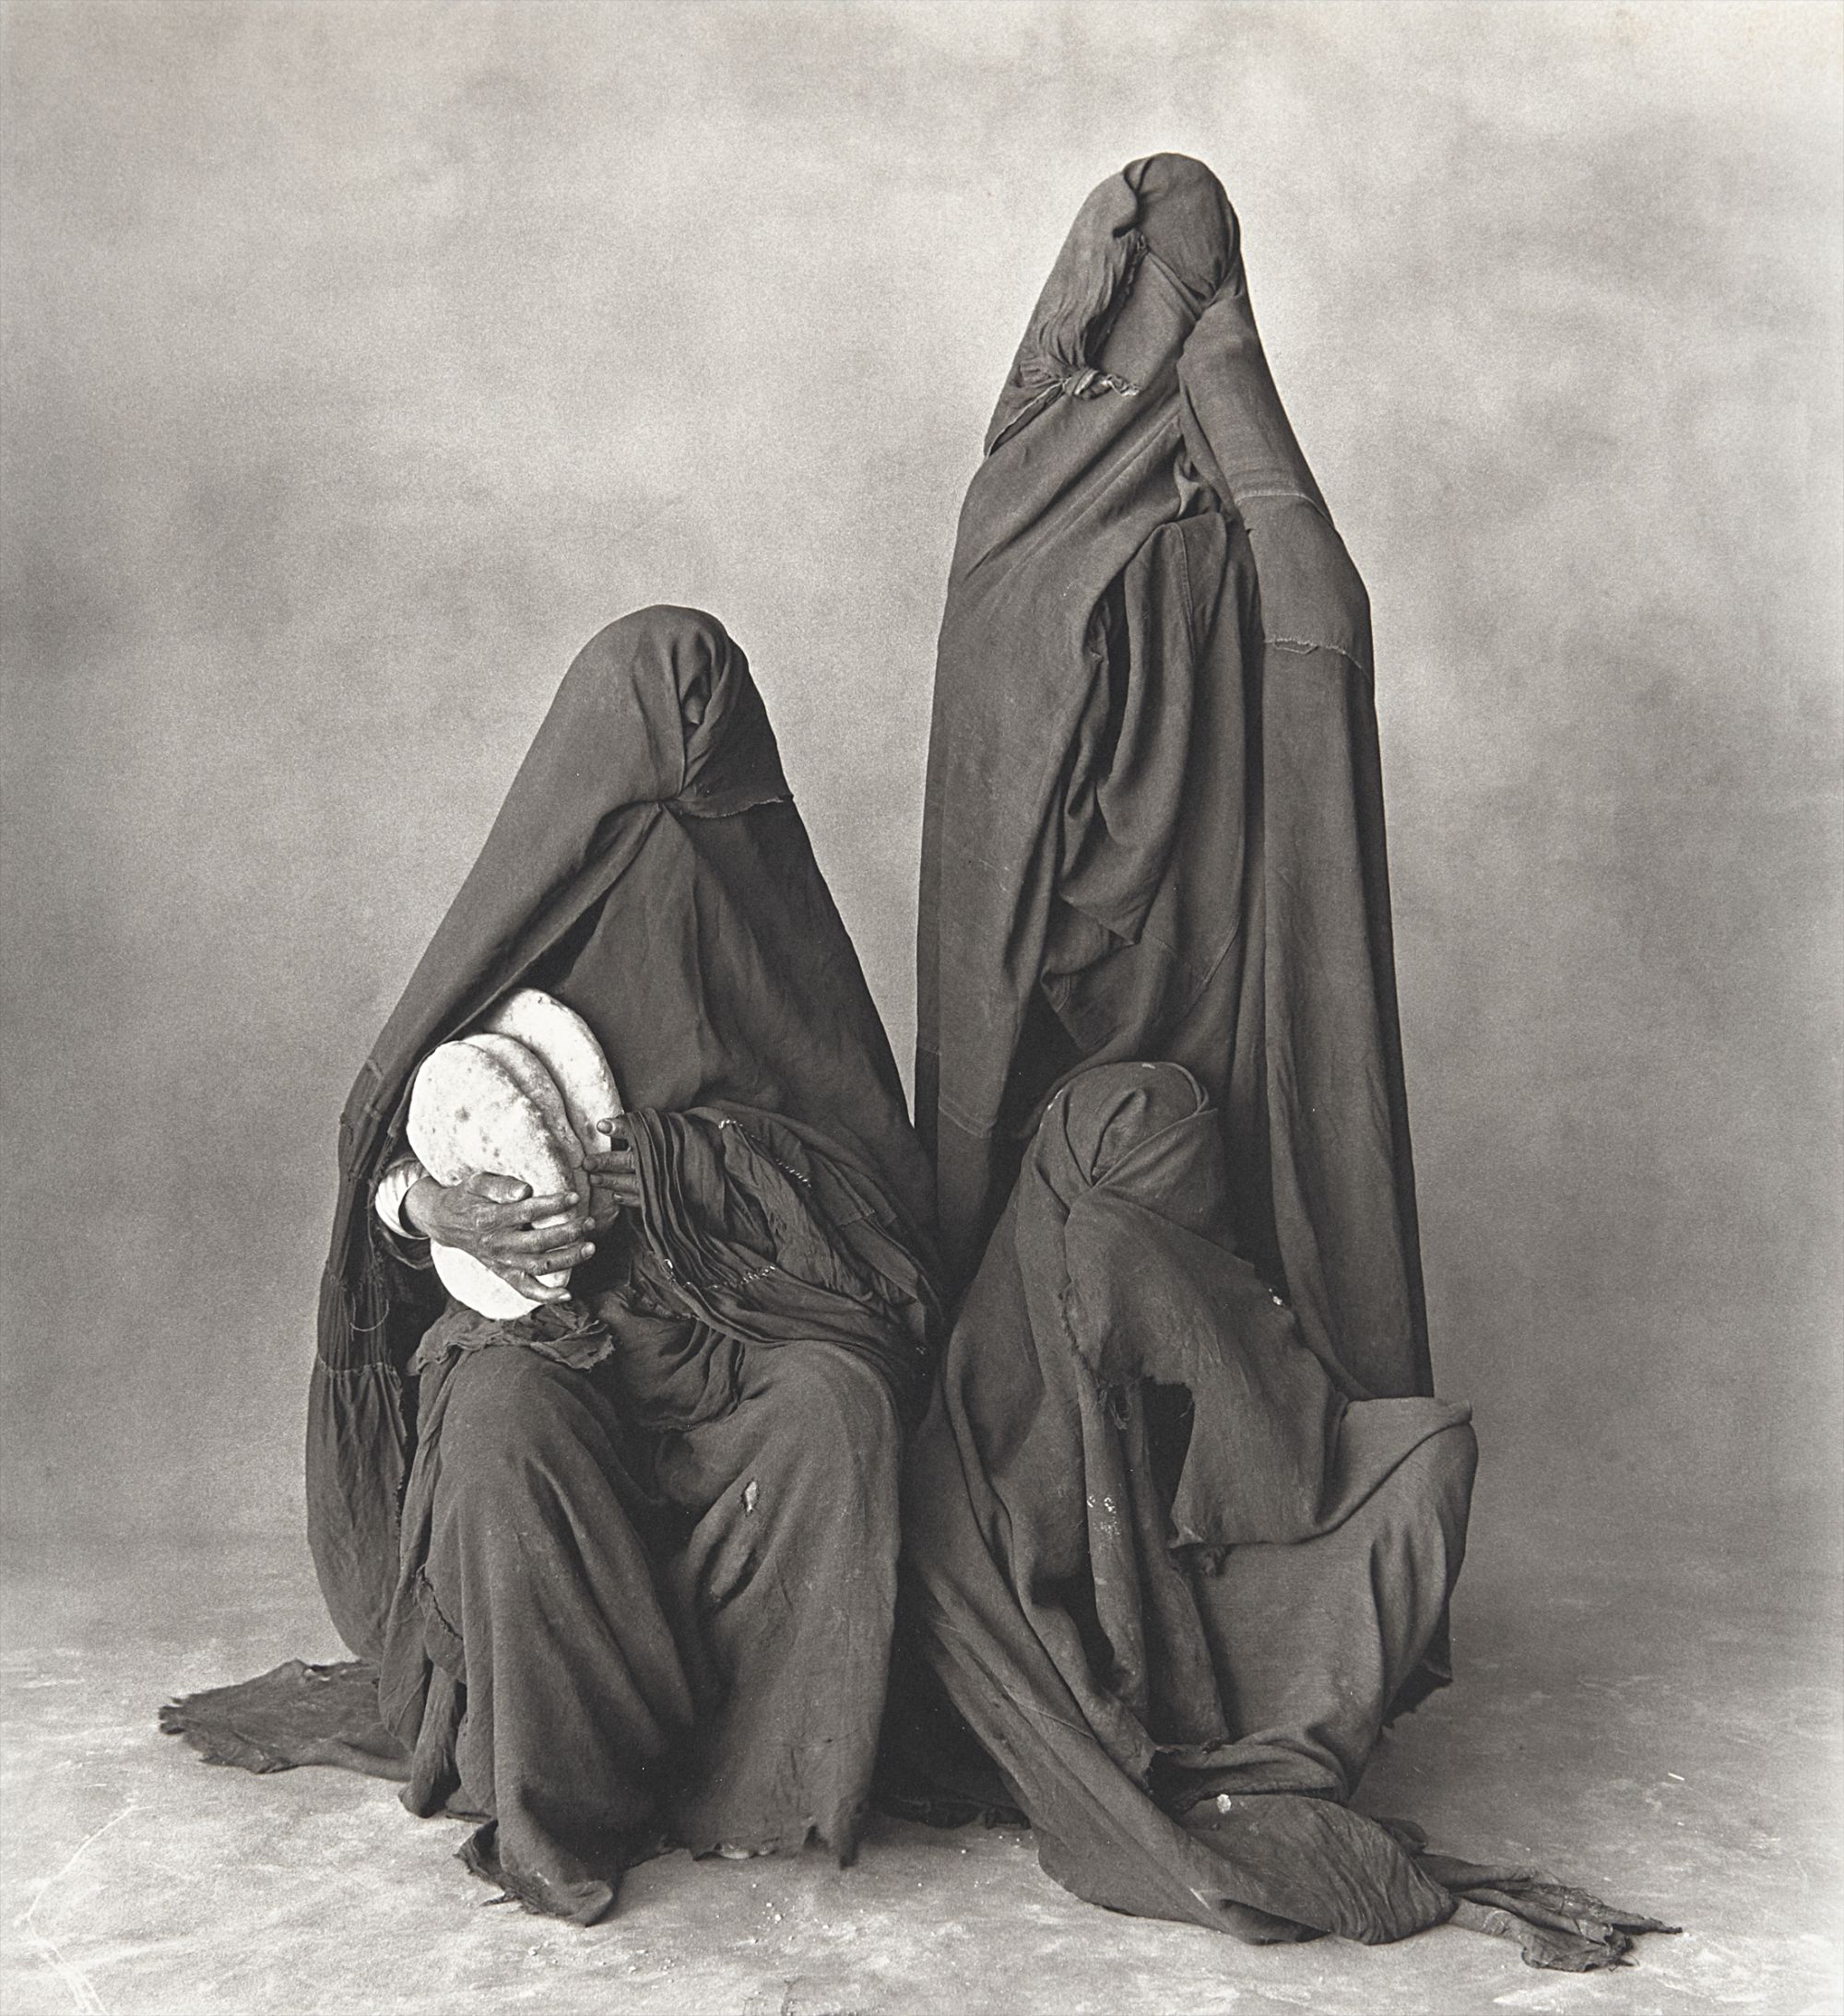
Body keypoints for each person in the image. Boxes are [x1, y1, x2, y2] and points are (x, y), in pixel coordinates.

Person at [897, 158, 1671, 1970]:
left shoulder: (1240, 508)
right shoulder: (1017, 521)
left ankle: (1247, 1631)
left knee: (1215, 1276)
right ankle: (1093, 1622)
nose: (1199, 317)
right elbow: (998, 827)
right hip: (1060, 1029)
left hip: (1221, 997)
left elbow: (1316, 618)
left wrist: (1235, 410)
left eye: (1218, 284)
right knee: (1070, 1287)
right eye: (1176, 287)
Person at [171, 606, 942, 1926]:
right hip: (550, 1322)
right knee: (499, 1434)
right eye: (658, 723)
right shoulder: (532, 900)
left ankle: (755, 1787)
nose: (686, 771)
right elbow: (385, 1166)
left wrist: (690, 1176)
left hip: (740, 1317)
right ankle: (564, 1786)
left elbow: (873, 1191)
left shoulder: (772, 911)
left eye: (712, 728)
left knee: (840, 1412)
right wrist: (439, 1211)